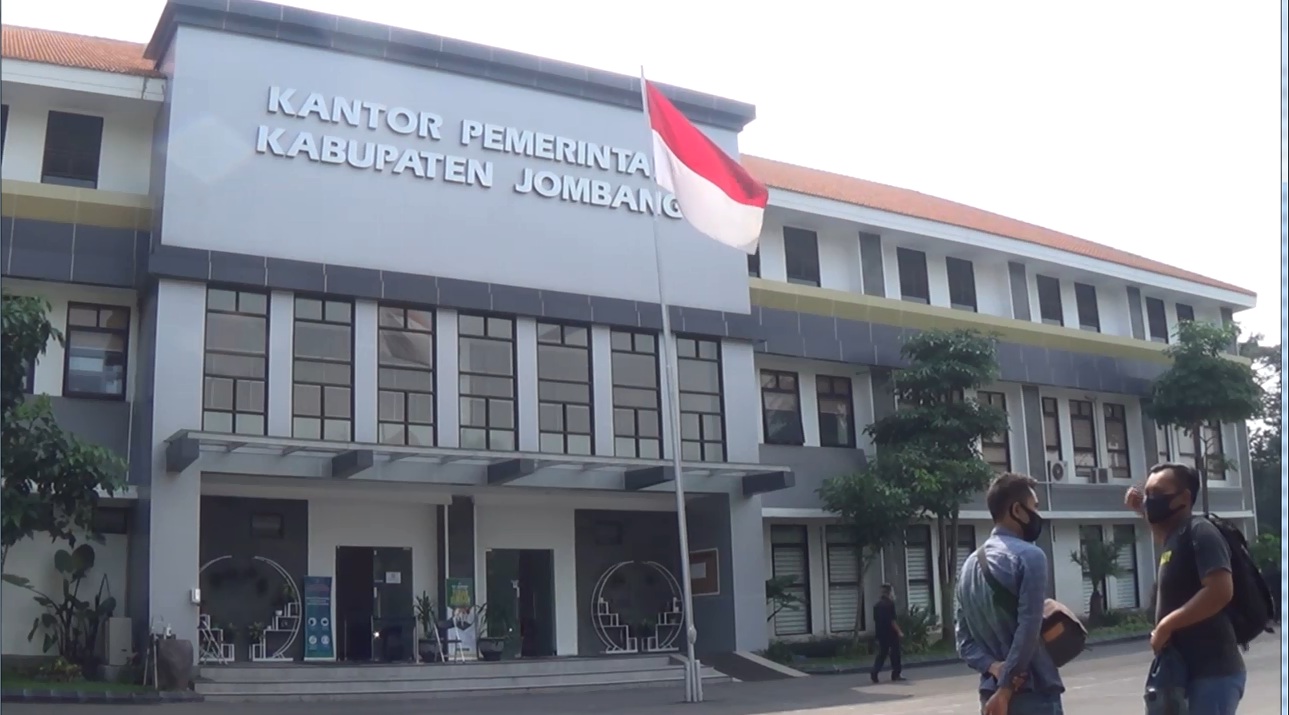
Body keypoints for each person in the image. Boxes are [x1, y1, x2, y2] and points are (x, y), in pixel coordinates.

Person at [1126, 462, 1244, 715]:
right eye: (1147, 494)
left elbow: (1220, 590)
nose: (1150, 501)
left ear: (1184, 498)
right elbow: (1158, 528)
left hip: (1212, 673)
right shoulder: (1174, 537)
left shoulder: (1201, 531)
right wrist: (1141, 510)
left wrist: (1166, 625)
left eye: (1158, 493)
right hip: (1183, 673)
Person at [956, 472, 1063, 715]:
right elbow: (1029, 628)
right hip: (1032, 695)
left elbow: (964, 642)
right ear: (1017, 510)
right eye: (1034, 507)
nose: (1037, 515)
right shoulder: (1030, 556)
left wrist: (995, 667)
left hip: (990, 698)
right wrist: (1006, 689)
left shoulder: (968, 566)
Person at [870, 584, 905, 683]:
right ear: (889, 592)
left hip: (881, 633)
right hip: (891, 633)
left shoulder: (877, 605)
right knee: (895, 654)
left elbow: (876, 620)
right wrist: (899, 632)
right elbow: (892, 621)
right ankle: (896, 674)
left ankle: (874, 672)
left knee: (882, 654)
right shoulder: (890, 605)